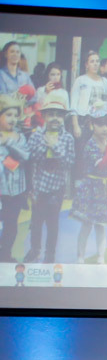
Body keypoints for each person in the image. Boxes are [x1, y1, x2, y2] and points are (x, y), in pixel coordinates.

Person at [23, 90, 74, 264]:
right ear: (44, 116)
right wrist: (46, 145)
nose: (55, 119)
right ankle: (35, 250)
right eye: (51, 114)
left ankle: (50, 253)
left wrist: (56, 147)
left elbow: (69, 163)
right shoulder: (37, 135)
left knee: (53, 223)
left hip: (56, 189)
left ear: (64, 118)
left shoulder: (67, 138)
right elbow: (32, 158)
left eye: (59, 115)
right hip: (39, 187)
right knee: (36, 222)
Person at [71, 105, 107, 264]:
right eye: (100, 124)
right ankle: (80, 256)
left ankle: (101, 257)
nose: (105, 128)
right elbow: (100, 165)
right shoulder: (90, 144)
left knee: (101, 225)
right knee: (87, 225)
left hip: (105, 189)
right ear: (92, 124)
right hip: (91, 188)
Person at [0, 93, 29, 262]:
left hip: (16, 191)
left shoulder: (20, 137)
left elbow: (25, 156)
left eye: (15, 115)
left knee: (12, 225)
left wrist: (8, 143)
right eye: (8, 114)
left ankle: (5, 255)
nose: (12, 119)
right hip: (1, 191)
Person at [69, 51, 107, 143]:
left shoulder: (104, 82)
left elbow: (106, 103)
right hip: (83, 121)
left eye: (97, 61)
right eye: (92, 61)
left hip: (99, 122)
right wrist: (76, 125)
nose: (95, 64)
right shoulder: (80, 80)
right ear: (86, 65)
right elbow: (73, 105)